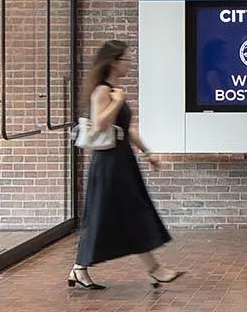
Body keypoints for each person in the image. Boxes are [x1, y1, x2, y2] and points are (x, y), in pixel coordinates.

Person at [68, 40, 185, 290]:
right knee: (121, 213)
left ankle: (80, 269)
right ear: (113, 61)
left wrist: (147, 153)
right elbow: (100, 124)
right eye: (126, 60)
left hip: (122, 160)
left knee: (117, 213)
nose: (130, 64)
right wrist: (117, 102)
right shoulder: (103, 91)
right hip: (108, 163)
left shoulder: (114, 90)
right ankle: (155, 270)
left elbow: (128, 129)